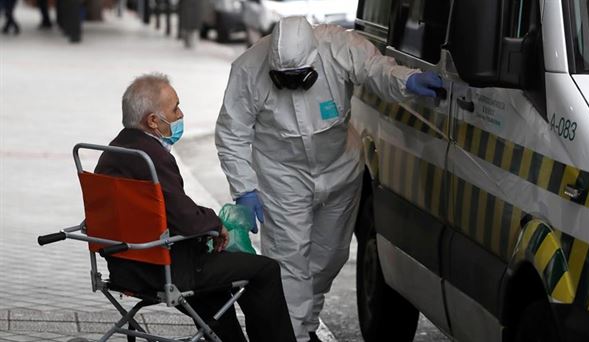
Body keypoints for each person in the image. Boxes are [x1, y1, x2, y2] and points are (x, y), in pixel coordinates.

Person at [215, 16, 442, 342]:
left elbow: (377, 69)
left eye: (301, 78)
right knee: (289, 262)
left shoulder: (339, 46)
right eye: (284, 79)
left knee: (329, 257)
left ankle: (306, 324)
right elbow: (232, 133)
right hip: (282, 176)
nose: (292, 85)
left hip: (339, 172)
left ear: (314, 56)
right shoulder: (248, 68)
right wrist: (244, 189)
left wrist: (408, 80)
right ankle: (293, 336)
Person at [95, 73, 296, 342]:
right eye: (175, 108)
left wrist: (207, 224)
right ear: (153, 121)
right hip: (163, 271)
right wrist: (217, 224)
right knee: (265, 269)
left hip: (124, 267)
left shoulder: (114, 151)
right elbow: (185, 220)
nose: (181, 114)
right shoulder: (151, 158)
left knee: (218, 278)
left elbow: (167, 209)